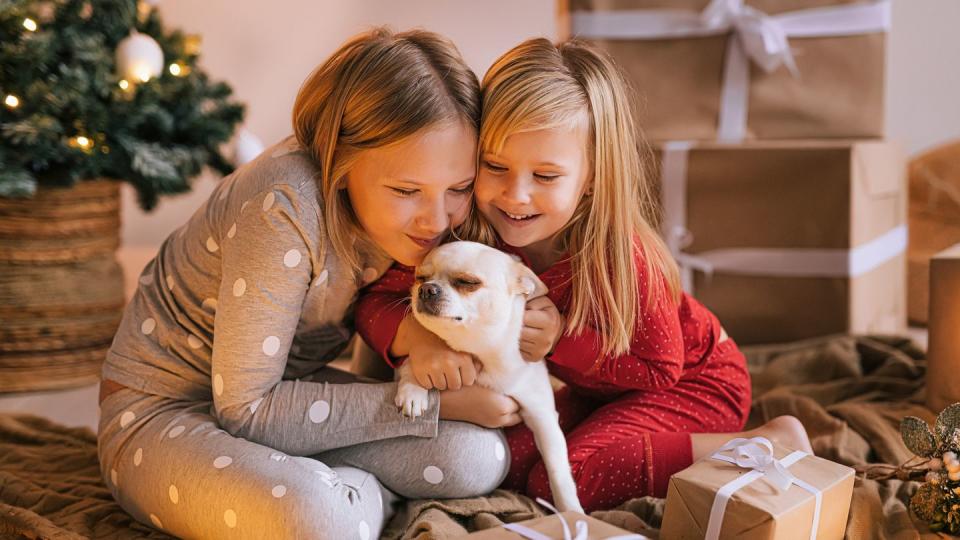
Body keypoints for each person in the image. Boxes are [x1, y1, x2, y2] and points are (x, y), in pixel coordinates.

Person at [356, 38, 813, 513]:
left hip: (694, 386)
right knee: (509, 463)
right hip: (596, 393)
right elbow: (373, 301)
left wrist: (560, 340)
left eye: (546, 176)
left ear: (592, 175)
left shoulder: (624, 258)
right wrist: (416, 338)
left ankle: (764, 443)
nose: (515, 195)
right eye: (495, 167)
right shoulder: (472, 242)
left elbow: (660, 371)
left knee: (567, 480)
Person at [97, 28, 512, 539]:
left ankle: (345, 498)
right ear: (340, 164)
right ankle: (342, 503)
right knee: (315, 518)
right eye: (407, 190)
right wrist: (432, 402)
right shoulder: (283, 206)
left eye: (459, 188)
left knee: (479, 458)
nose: (436, 218)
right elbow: (245, 410)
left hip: (286, 403)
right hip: (163, 414)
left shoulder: (411, 221)